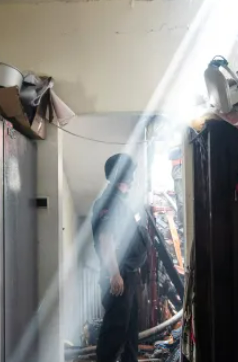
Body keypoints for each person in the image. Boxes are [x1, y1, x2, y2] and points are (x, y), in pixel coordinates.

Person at [91, 153, 151, 362]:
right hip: (119, 275)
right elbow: (105, 238)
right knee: (115, 330)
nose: (132, 178)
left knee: (130, 330)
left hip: (128, 275)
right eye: (129, 173)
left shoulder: (120, 201)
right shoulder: (109, 202)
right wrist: (114, 274)